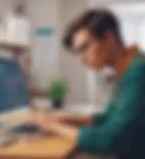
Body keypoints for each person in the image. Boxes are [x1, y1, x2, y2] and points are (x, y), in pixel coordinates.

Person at [31, 9, 145, 159]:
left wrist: (52, 126)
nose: (82, 59)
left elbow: (112, 140)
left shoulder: (138, 71)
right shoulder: (126, 68)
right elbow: (108, 118)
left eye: (85, 48)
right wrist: (64, 119)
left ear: (108, 38)